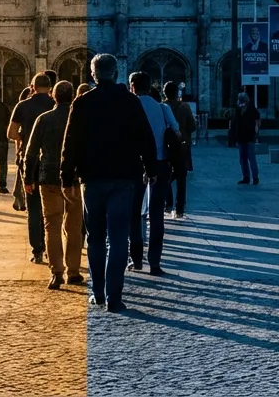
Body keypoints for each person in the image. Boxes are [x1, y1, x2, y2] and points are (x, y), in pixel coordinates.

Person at [61, 53, 155, 313]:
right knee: (118, 237)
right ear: (115, 73)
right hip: (124, 177)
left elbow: (71, 143)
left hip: (92, 178)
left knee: (96, 238)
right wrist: (152, 168)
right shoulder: (130, 101)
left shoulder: (82, 103)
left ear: (93, 74)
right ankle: (114, 297)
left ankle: (98, 293)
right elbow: (145, 137)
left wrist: (66, 177)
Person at [23, 80, 85, 290]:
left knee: (52, 225)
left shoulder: (44, 119)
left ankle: (56, 272)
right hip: (74, 179)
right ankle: (74, 271)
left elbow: (31, 153)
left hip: (48, 177)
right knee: (74, 227)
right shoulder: (79, 119)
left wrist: (27, 179)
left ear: (53, 96)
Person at [129, 72, 177, 277]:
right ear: (149, 87)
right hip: (160, 163)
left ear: (132, 86)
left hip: (134, 164)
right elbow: (176, 131)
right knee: (156, 214)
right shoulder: (162, 107)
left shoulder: (129, 107)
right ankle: (155, 263)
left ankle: (136, 259)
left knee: (134, 212)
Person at [9, 72, 55, 264]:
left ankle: (37, 249)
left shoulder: (22, 105)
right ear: (50, 88)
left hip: (29, 161)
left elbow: (11, 133)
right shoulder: (55, 104)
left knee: (34, 207)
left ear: (33, 87)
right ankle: (51, 249)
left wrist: (24, 139)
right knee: (52, 209)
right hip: (51, 162)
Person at [162, 81, 195, 220]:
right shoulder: (184, 106)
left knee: (165, 175)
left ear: (165, 93)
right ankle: (180, 209)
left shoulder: (162, 107)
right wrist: (185, 135)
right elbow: (192, 125)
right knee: (181, 178)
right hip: (182, 146)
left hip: (165, 146)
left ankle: (168, 204)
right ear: (177, 93)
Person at [231, 91, 261, 185]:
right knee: (242, 158)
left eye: (241, 100)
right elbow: (236, 123)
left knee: (251, 158)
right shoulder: (238, 109)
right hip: (240, 137)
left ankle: (255, 177)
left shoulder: (252, 109)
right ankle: (246, 177)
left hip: (250, 136)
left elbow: (258, 120)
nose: (239, 102)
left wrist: (256, 131)